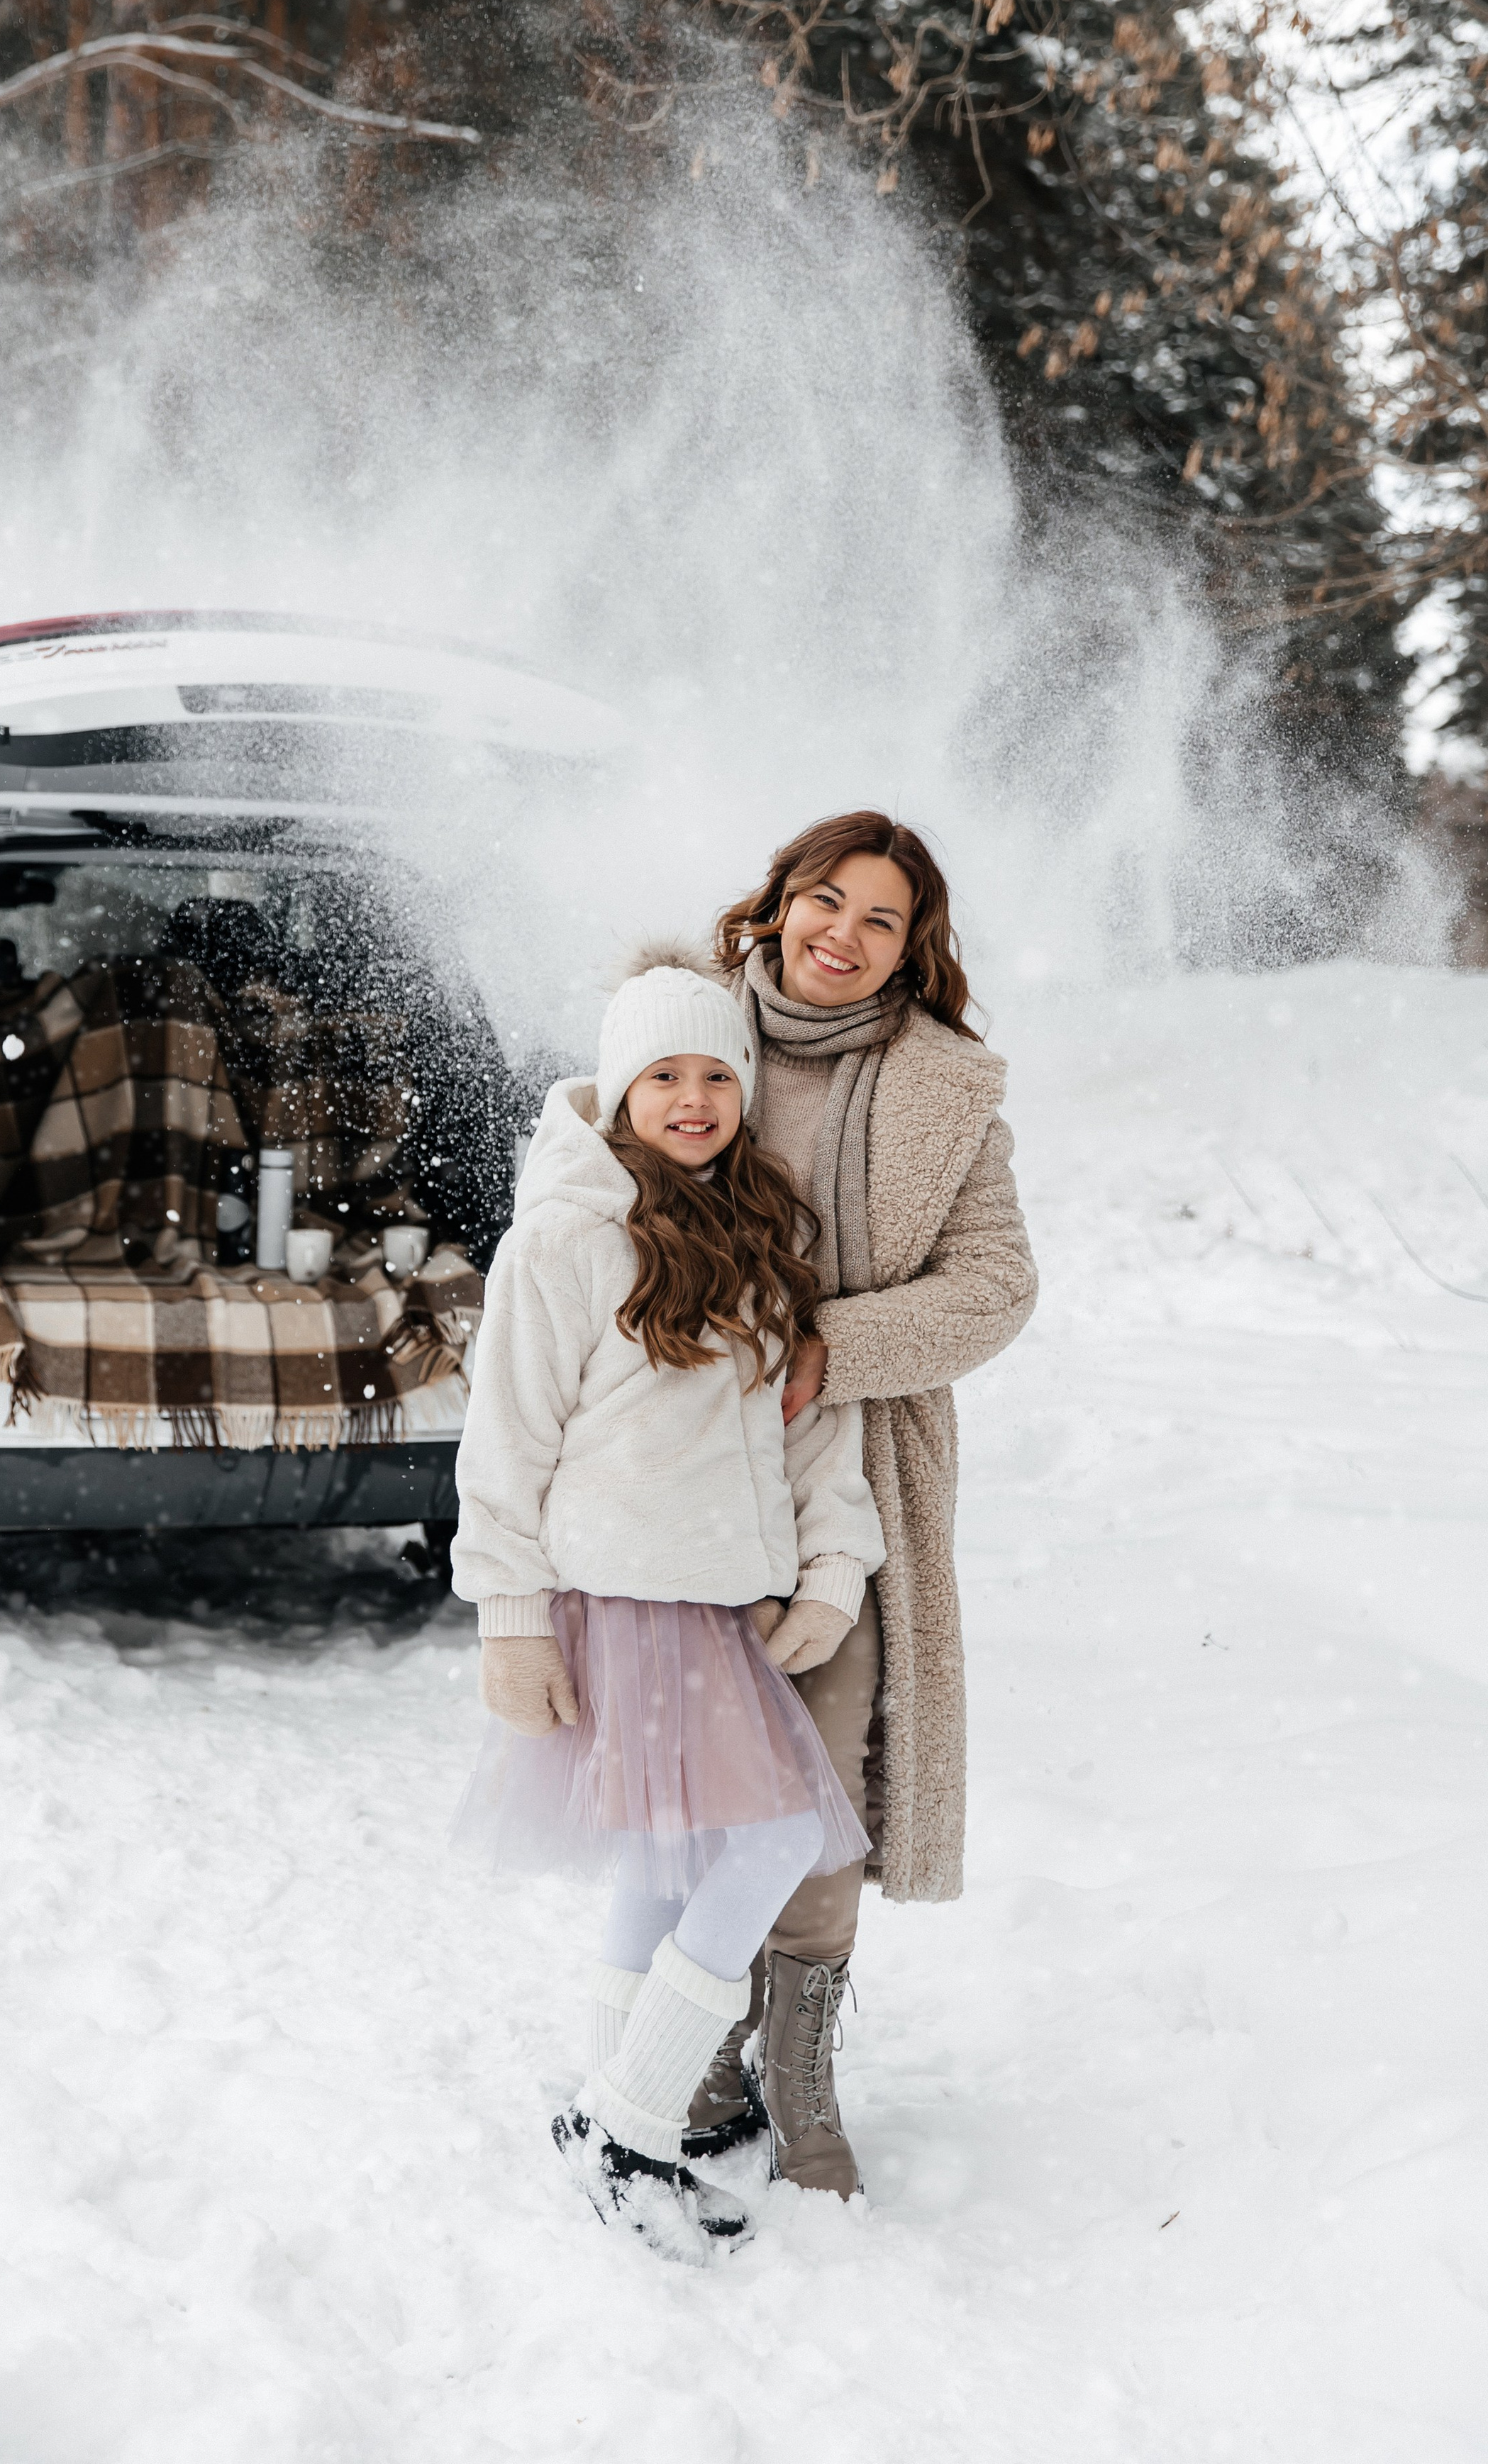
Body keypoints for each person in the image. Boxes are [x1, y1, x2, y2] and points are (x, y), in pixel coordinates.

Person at [449, 949, 886, 2260]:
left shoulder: (763, 1234)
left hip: (714, 1600)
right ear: (620, 1087)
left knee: (667, 1858)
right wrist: (509, 1614)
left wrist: (831, 1565)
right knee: (767, 1845)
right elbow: (506, 1435)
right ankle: (626, 2119)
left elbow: (819, 1434)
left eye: (715, 1075)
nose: (692, 1099)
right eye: (663, 1076)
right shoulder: (566, 1238)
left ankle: (615, 2125)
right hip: (623, 1595)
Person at [679, 810, 1038, 2200]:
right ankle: (691, 2042)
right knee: (693, 1780)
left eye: (877, 918)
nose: (840, 933)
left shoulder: (946, 1093)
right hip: (677, 1476)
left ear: (911, 948)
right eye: (821, 900)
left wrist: (826, 1345)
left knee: (821, 1785)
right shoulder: (680, 1037)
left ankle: (800, 2068)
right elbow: (582, 1213)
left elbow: (995, 1285)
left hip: (850, 1488)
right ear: (773, 905)